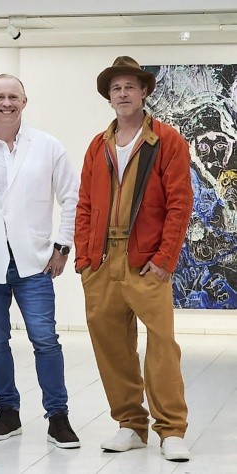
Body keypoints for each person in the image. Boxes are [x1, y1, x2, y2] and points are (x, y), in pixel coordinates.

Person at [0, 74, 80, 448]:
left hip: (34, 263)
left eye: (13, 97)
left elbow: (72, 198)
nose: (6, 103)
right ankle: (7, 412)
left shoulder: (48, 146)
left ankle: (58, 417)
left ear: (25, 101)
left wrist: (62, 247)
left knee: (45, 340)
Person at [74, 56, 193, 462]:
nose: (123, 94)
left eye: (129, 87)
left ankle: (171, 429)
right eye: (116, 88)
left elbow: (180, 204)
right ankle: (130, 424)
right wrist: (85, 258)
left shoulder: (167, 140)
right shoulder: (98, 145)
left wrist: (165, 259)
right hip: (102, 261)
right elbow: (84, 203)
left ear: (144, 92)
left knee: (162, 345)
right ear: (109, 97)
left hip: (147, 262)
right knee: (111, 346)